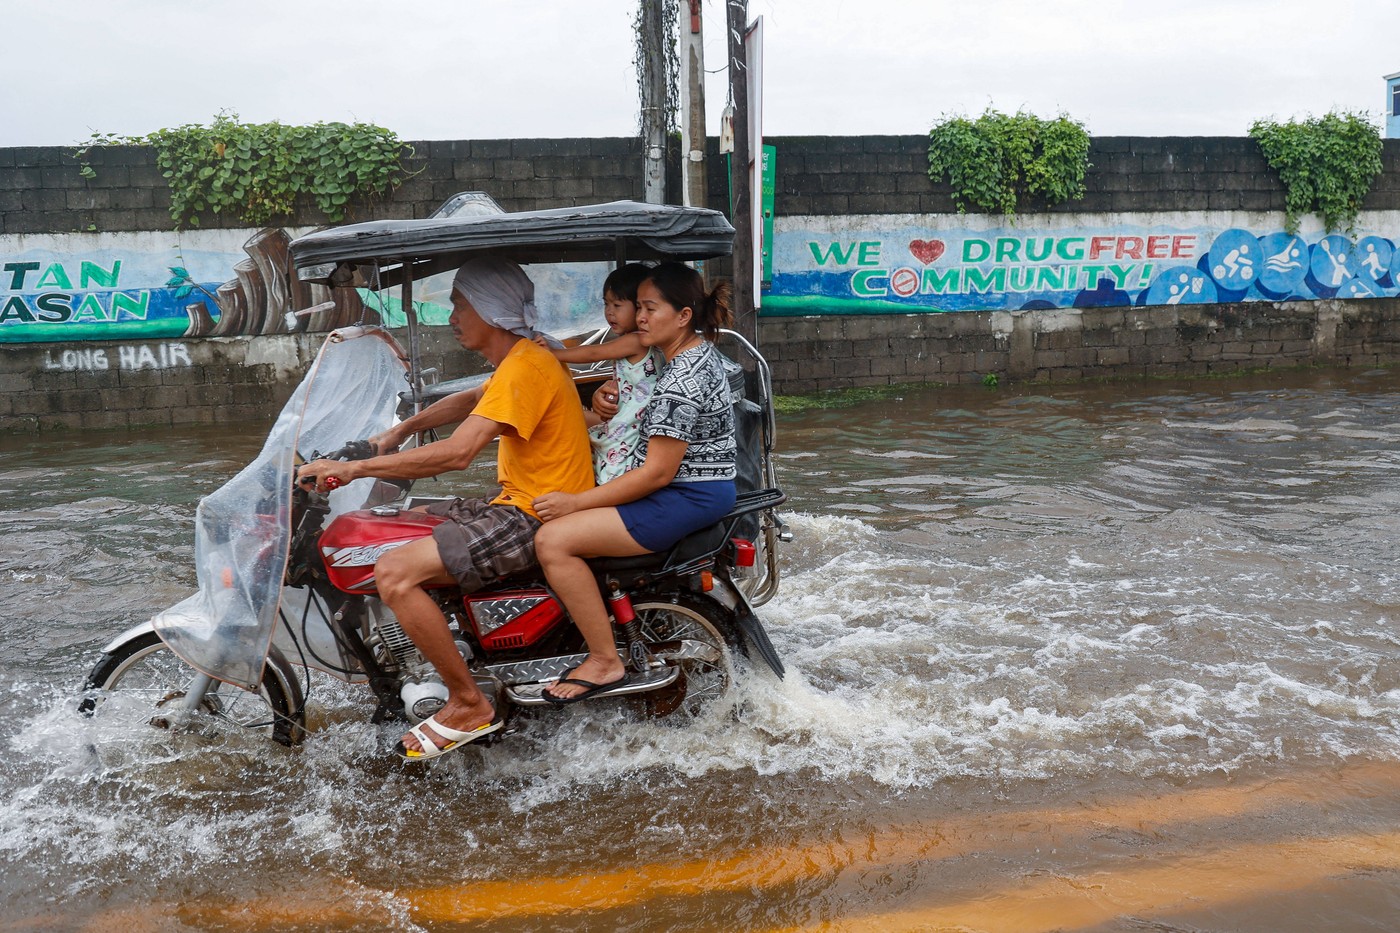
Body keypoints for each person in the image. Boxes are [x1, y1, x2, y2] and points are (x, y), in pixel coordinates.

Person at [297, 256, 594, 759]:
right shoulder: (518, 363)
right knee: (407, 521)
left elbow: (458, 453)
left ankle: (466, 700)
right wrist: (396, 432)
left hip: (534, 513)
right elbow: (470, 400)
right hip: (515, 499)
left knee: (392, 571)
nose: (454, 317)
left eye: (460, 305)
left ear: (490, 310)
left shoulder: (526, 367)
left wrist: (356, 470)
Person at [531, 262, 737, 703]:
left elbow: (657, 473)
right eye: (638, 308)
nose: (640, 318)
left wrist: (576, 503)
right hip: (696, 488)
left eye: (649, 308)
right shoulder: (689, 356)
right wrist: (608, 391)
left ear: (683, 316)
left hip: (684, 495)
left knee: (552, 541)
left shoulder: (681, 379)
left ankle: (605, 659)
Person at [537, 263, 664, 483]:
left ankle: (607, 488)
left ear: (640, 308)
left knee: (612, 453)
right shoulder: (640, 341)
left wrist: (553, 354)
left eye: (617, 305)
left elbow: (594, 352)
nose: (609, 312)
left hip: (631, 419)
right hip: (628, 411)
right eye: (606, 304)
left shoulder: (635, 341)